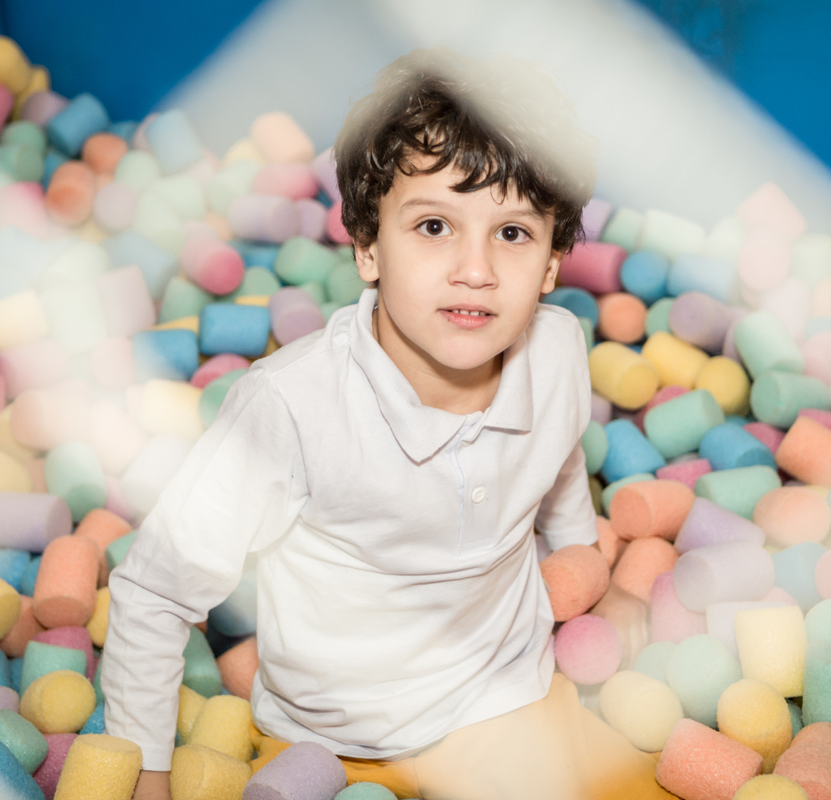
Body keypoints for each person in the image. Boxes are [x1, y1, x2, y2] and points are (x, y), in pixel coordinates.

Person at [103, 47, 673, 800]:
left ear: (552, 264)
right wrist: (144, 768)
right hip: (333, 739)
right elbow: (154, 590)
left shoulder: (559, 350)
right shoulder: (289, 409)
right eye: (434, 226)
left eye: (512, 233)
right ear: (368, 246)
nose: (476, 269)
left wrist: (584, 567)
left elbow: (558, 455)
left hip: (504, 703)